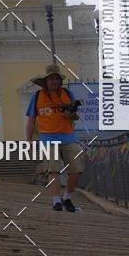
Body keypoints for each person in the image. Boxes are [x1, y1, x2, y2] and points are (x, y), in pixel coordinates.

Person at [25, 64, 83, 212]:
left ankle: (67, 197)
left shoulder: (68, 94)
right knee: (53, 170)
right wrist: (29, 140)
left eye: (57, 79)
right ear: (46, 81)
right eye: (51, 79)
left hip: (68, 137)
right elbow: (31, 120)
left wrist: (70, 114)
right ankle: (56, 200)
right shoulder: (37, 97)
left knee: (77, 168)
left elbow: (76, 116)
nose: (54, 82)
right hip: (48, 138)